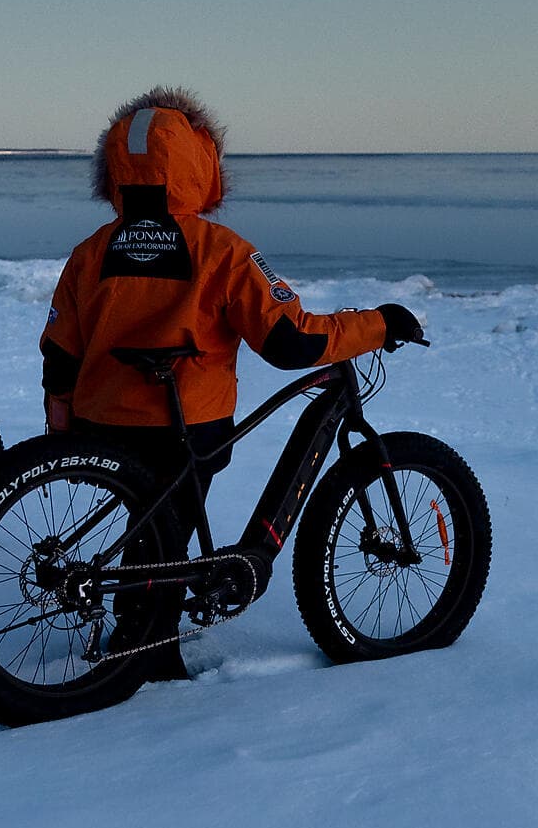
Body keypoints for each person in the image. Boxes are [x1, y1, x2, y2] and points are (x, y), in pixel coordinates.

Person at [40, 87, 423, 672]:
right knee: (167, 531)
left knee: (154, 527)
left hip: (101, 422)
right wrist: (376, 324)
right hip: (186, 422)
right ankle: (147, 653)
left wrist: (61, 418)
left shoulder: (91, 252)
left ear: (115, 168)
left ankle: (138, 628)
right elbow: (291, 341)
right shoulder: (220, 251)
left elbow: (60, 352)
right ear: (201, 166)